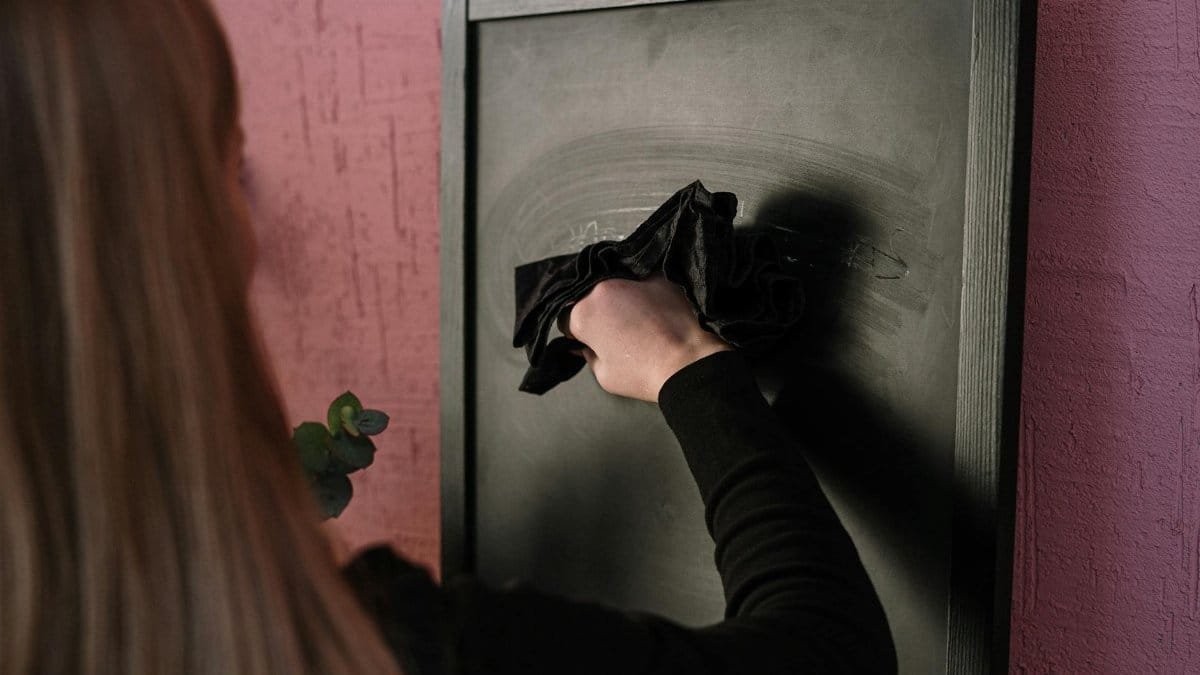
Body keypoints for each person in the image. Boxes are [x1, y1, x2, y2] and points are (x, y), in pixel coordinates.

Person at [0, 0, 895, 673]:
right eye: (230, 164)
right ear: (175, 242)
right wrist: (686, 362)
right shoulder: (373, 648)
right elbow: (829, 654)